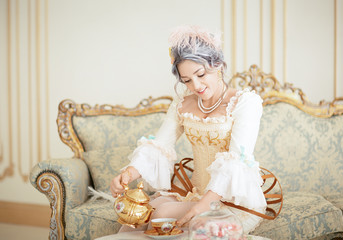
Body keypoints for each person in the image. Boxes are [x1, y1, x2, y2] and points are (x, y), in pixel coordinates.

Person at [110, 25, 268, 234]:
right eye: (186, 80)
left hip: (231, 199)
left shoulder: (246, 103)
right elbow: (159, 145)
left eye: (201, 74)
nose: (196, 85)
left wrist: (203, 205)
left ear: (218, 64)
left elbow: (237, 160)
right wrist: (129, 173)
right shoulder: (182, 103)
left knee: (159, 214)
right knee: (140, 216)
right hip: (195, 193)